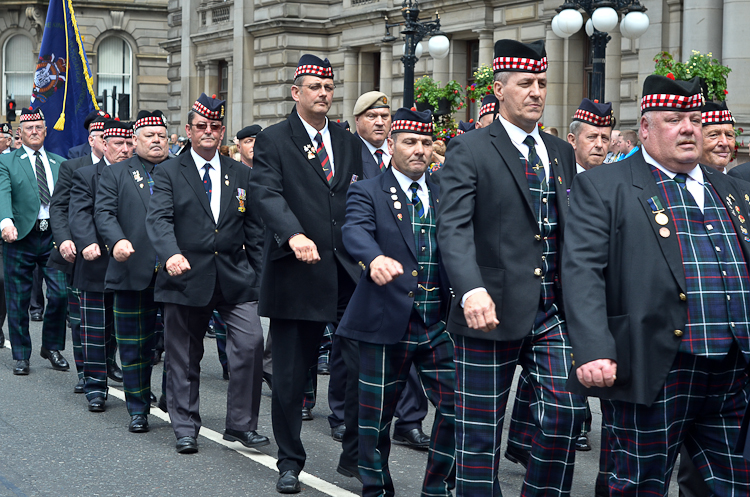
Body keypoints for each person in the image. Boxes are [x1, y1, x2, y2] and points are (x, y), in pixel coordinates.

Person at [563, 74, 750, 495]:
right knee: (636, 485)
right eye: (673, 118)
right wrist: (593, 348)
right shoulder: (604, 185)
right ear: (645, 128)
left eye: (694, 118)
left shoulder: (730, 188)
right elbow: (582, 270)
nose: (688, 127)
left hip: (733, 370)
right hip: (654, 365)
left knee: (733, 485)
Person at [436, 39, 585, 496]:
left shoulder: (560, 152)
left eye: (541, 83)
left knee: (567, 413)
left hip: (552, 311)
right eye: (526, 83)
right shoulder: (471, 149)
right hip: (489, 309)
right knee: (480, 438)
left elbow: (571, 229)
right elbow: (453, 228)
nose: (537, 91)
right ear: (499, 90)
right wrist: (469, 289)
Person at [250, 54, 363, 494]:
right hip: (297, 273)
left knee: (361, 366)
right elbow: (265, 193)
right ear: (296, 92)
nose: (323, 94)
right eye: (314, 87)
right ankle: (289, 460)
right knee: (292, 378)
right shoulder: (275, 140)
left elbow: (357, 197)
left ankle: (354, 454)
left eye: (328, 87)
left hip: (346, 275)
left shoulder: (345, 139)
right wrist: (293, 234)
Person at [338, 107, 456, 496]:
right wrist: (373, 259)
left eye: (425, 142)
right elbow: (354, 230)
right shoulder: (368, 190)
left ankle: (436, 486)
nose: (419, 150)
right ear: (391, 145)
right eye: (410, 142)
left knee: (459, 409)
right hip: (386, 318)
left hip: (439, 322)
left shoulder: (444, 193)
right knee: (375, 420)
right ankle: (377, 489)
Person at [146, 94, 268, 455]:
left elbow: (255, 232)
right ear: (188, 131)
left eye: (215, 126)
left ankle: (241, 425)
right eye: (201, 126)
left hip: (234, 275)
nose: (208, 132)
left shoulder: (241, 173)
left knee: (250, 345)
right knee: (184, 354)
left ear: (222, 130)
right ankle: (185, 426)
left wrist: (261, 280)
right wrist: (170, 254)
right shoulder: (169, 171)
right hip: (185, 275)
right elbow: (159, 219)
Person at [95, 112, 169, 432]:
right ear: (135, 140)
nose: (156, 140)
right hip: (132, 268)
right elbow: (104, 213)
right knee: (135, 346)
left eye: (161, 135)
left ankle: (175, 401)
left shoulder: (181, 170)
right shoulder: (116, 174)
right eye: (149, 135)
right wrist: (117, 240)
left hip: (177, 271)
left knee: (180, 345)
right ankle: (137, 408)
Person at [68, 120, 133, 413]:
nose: (125, 149)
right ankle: (95, 386)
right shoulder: (84, 175)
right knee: (94, 331)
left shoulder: (142, 173)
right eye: (118, 144)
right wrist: (86, 242)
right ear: (104, 145)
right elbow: (79, 214)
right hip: (96, 263)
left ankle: (136, 389)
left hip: (132, 264)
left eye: (129, 143)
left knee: (127, 331)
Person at [0, 108, 69, 375]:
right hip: (20, 236)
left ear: (45, 131)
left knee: (61, 294)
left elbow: (67, 202)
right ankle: (21, 354)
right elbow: (3, 194)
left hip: (53, 236)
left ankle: (51, 347)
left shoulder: (59, 162)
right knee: (17, 298)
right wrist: (5, 223)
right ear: (20, 132)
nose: (34, 132)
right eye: (29, 128)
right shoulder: (7, 162)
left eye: (39, 127)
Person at [50, 115, 113, 394]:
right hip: (79, 254)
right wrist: (64, 239)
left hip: (114, 256)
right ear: (92, 140)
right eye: (102, 136)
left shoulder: (124, 168)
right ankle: (84, 371)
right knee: (82, 319)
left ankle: (107, 363)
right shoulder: (73, 167)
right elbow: (59, 208)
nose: (108, 141)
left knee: (110, 317)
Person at [567, 98, 614, 173]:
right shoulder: (559, 176)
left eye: (604, 138)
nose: (599, 144)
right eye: (592, 137)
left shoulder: (615, 178)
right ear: (573, 140)